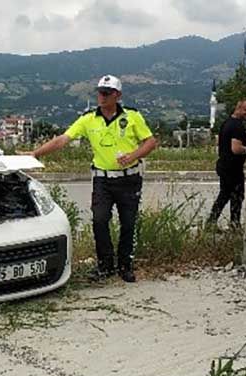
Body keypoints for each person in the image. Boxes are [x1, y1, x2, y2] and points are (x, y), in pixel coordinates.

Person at [25, 75, 158, 282]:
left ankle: (125, 266)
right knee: (99, 220)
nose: (101, 97)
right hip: (103, 180)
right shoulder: (88, 119)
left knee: (128, 223)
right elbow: (63, 139)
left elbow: (150, 142)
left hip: (129, 179)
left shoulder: (132, 116)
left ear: (117, 95)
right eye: (99, 92)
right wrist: (36, 153)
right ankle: (105, 265)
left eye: (106, 93)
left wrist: (133, 156)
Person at [208, 100, 246, 226]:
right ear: (238, 108)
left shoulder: (228, 123)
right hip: (232, 168)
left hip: (225, 165)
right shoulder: (237, 126)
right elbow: (236, 148)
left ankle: (213, 223)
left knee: (226, 195)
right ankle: (233, 224)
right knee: (236, 196)